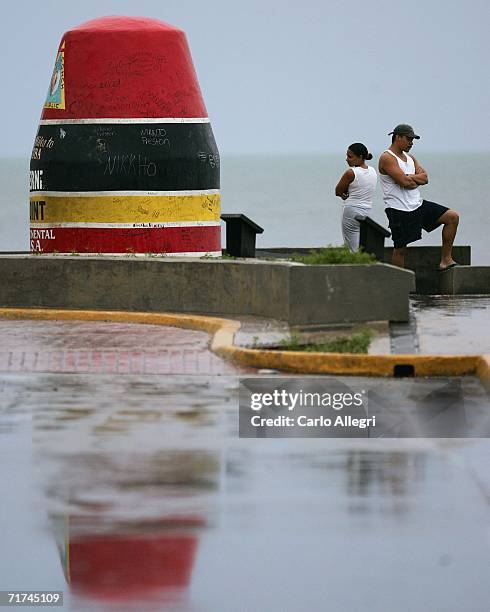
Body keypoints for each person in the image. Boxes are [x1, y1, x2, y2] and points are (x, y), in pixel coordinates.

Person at [379, 124, 459, 270]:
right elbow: (404, 182)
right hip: (398, 209)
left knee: (452, 217)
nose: (411, 142)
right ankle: (399, 285)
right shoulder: (387, 157)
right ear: (398, 137)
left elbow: (425, 179)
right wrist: (412, 179)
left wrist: (410, 178)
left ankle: (446, 260)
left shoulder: (411, 158)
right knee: (400, 249)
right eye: (409, 139)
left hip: (418, 204)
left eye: (413, 139)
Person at [335, 143, 377, 252]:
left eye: (350, 156)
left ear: (360, 157)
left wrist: (344, 195)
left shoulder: (351, 172)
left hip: (351, 211)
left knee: (351, 248)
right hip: (367, 212)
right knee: (363, 245)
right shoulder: (372, 171)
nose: (347, 159)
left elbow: (338, 191)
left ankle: (355, 266)